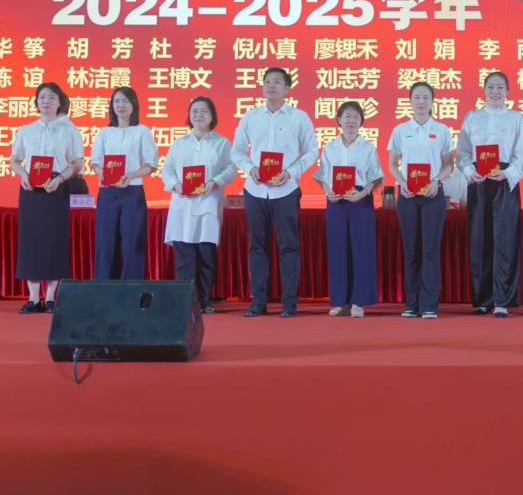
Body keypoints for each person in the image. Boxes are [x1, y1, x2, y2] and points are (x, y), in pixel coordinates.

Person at [231, 68, 319, 318]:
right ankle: (258, 301)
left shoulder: (298, 118)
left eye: (277, 82)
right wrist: (250, 168)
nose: (271, 86)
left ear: (287, 89)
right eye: (267, 81)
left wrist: (290, 173)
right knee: (257, 247)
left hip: (286, 190)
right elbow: (237, 151)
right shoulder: (250, 117)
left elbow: (311, 151)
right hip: (255, 190)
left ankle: (289, 303)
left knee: (288, 246)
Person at [456, 71, 523, 318]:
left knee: (504, 240)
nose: (495, 92)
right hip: (479, 181)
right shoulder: (472, 117)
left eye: (500, 87)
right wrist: (469, 171)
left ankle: (502, 300)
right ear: (484, 91)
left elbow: (522, 155)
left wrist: (508, 174)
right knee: (480, 240)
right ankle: (483, 299)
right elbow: (463, 153)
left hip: (504, 182)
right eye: (490, 87)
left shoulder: (516, 118)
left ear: (508, 91)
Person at [9, 83, 83, 314]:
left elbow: (77, 163)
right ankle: (33, 298)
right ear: (36, 102)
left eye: (51, 97)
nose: (46, 101)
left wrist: (60, 179)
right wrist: (23, 175)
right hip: (30, 188)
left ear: (60, 102)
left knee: (54, 240)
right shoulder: (26, 130)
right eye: (42, 97)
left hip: (55, 186)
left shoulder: (69, 130)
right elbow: (14, 160)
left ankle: (50, 297)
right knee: (31, 240)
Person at [161, 97, 236, 314]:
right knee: (184, 257)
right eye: (194, 111)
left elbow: (231, 168)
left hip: (208, 203)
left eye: (204, 111)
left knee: (206, 255)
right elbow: (167, 169)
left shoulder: (222, 143)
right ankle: (185, 302)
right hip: (182, 204)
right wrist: (175, 185)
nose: (198, 115)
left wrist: (215, 181)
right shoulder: (179, 143)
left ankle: (204, 301)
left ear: (212, 116)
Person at [387, 82, 454, 319]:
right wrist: (401, 182)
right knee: (411, 251)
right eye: (417, 97)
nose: (421, 102)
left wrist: (437, 181)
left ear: (432, 101)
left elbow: (449, 164)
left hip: (433, 196)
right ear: (410, 101)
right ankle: (411, 303)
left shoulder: (442, 130)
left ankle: (429, 305)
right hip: (407, 196)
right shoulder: (400, 130)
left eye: (426, 97)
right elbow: (392, 163)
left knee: (430, 251)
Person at [313, 101, 383, 318]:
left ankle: (359, 302)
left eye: (355, 117)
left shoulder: (367, 147)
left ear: (361, 122)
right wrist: (327, 192)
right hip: (336, 200)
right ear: (339, 120)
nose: (351, 121)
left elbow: (377, 178)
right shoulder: (330, 147)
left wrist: (363, 193)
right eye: (347, 116)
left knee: (362, 250)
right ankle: (340, 301)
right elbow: (321, 176)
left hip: (359, 199)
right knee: (337, 250)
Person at [91, 86, 158, 280]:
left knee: (132, 243)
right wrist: (101, 173)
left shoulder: (142, 131)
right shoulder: (104, 132)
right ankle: (104, 287)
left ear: (133, 105)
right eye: (117, 101)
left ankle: (130, 287)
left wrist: (132, 174)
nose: (121, 105)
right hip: (107, 192)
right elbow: (95, 162)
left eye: (125, 101)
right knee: (105, 243)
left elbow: (151, 164)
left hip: (132, 191)